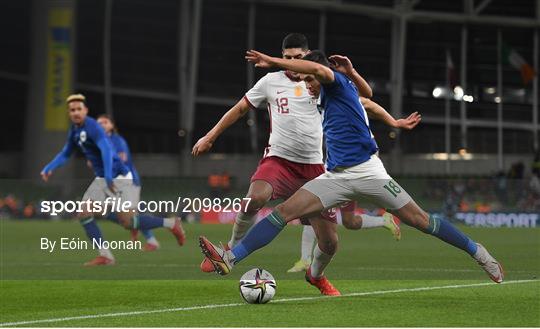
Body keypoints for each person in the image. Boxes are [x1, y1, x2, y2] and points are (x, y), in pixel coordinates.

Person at [199, 49, 504, 284]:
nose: (307, 85)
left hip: (370, 173)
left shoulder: (335, 84)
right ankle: (231, 258)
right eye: (304, 81)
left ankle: (478, 252)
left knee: (423, 222)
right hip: (335, 178)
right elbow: (368, 97)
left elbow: (329, 74)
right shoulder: (326, 96)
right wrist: (366, 89)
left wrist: (274, 60)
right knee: (283, 213)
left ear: (325, 74)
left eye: (310, 79)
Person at [194, 33, 370, 295]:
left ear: (307, 57)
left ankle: (316, 276)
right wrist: (210, 136)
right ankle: (229, 249)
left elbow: (365, 98)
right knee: (255, 198)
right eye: (287, 58)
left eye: (297, 58)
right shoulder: (270, 81)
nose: (291, 62)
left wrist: (391, 119)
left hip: (315, 168)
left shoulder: (321, 82)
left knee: (330, 242)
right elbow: (240, 109)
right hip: (279, 161)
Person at [41, 94, 185, 266]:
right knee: (84, 213)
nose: (76, 113)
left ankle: (170, 223)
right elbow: (66, 153)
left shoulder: (94, 128)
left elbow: (107, 152)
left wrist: (109, 175)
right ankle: (106, 255)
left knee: (129, 221)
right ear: (68, 113)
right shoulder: (75, 130)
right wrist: (48, 167)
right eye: (72, 110)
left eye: (79, 109)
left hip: (119, 177)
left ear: (86, 111)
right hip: (103, 178)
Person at [97, 114, 180, 252]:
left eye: (104, 122)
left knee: (110, 213)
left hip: (127, 182)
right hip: (115, 183)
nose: (101, 125)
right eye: (98, 123)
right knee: (110, 212)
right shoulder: (101, 142)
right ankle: (145, 233)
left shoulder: (117, 141)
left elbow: (120, 161)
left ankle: (166, 225)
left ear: (111, 125)